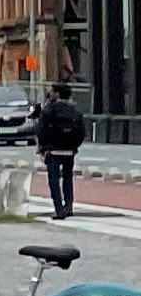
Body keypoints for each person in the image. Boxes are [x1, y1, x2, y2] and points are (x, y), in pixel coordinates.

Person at [38, 83, 90, 222]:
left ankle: (59, 209)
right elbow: (82, 132)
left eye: (52, 91)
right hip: (69, 151)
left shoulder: (49, 110)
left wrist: (43, 148)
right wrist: (74, 146)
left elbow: (41, 130)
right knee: (68, 177)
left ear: (57, 93)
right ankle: (69, 206)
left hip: (53, 150)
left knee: (54, 181)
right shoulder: (74, 110)